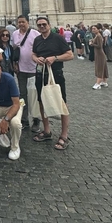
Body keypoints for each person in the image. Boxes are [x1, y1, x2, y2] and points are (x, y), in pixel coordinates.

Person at [32, 16, 73, 151]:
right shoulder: (37, 39)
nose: (42, 27)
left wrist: (55, 58)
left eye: (44, 24)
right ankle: (47, 131)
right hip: (40, 74)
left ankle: (64, 135)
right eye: (39, 25)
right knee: (42, 102)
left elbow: (70, 55)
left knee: (62, 103)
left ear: (49, 25)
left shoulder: (58, 38)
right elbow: (33, 54)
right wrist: (36, 59)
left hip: (56, 74)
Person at [11, 15, 40, 130]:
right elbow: (14, 50)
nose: (21, 24)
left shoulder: (35, 33)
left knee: (34, 95)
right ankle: (24, 119)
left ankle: (36, 119)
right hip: (21, 70)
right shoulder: (15, 34)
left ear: (28, 22)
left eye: (23, 22)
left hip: (34, 69)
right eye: (19, 22)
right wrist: (15, 63)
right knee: (22, 95)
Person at [90, 25, 109, 89]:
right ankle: (104, 81)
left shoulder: (98, 36)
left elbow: (99, 46)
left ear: (98, 29)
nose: (93, 30)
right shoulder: (97, 36)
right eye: (92, 29)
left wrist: (92, 44)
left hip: (100, 54)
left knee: (99, 68)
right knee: (103, 67)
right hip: (99, 53)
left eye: (94, 29)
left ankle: (97, 83)